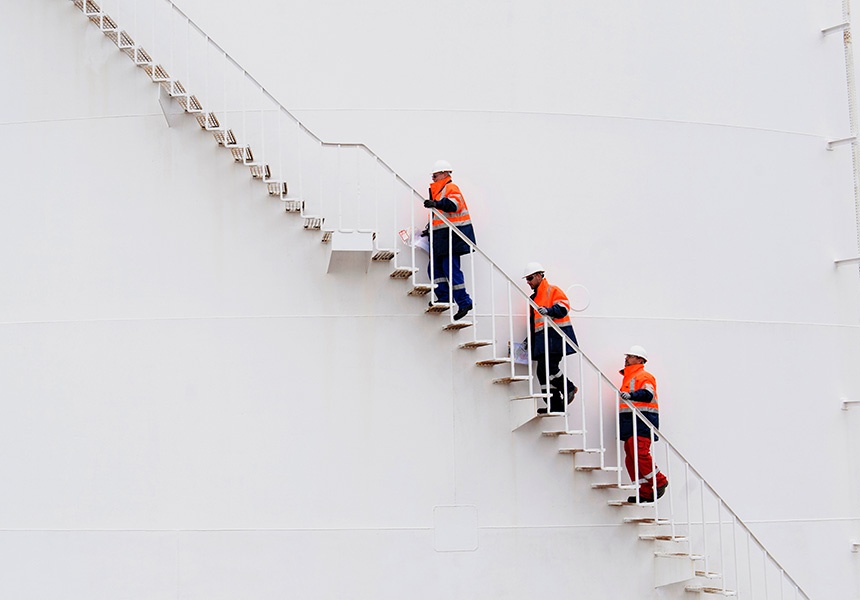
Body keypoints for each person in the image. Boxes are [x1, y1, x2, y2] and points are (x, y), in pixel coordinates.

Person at [422, 160, 476, 321]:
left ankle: (464, 301)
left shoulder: (451, 188)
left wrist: (436, 204)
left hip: (452, 238)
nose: (433, 178)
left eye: (435, 175)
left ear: (445, 173)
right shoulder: (438, 192)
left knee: (450, 269)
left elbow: (453, 205)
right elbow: (441, 218)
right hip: (441, 238)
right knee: (434, 269)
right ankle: (444, 296)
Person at [522, 262, 579, 414]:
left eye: (530, 278)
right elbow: (535, 323)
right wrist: (528, 341)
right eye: (527, 279)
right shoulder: (534, 298)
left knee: (549, 368)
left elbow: (564, 307)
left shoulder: (552, 290)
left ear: (540, 275)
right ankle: (555, 405)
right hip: (542, 341)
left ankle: (569, 388)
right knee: (542, 372)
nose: (528, 282)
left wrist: (549, 310)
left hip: (555, 339)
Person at [618, 345, 669, 503]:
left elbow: (648, 394)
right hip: (630, 422)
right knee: (630, 457)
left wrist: (632, 395)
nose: (626, 359)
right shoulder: (628, 378)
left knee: (639, 454)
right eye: (627, 356)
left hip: (642, 421)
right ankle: (645, 492)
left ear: (640, 360)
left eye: (631, 356)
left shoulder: (644, 376)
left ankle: (660, 481)